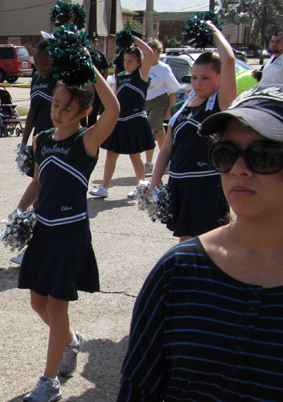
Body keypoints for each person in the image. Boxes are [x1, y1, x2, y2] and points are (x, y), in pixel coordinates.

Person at [87, 85, 283, 402]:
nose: (239, 168)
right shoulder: (178, 272)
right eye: (226, 153)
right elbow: (138, 396)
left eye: (263, 155)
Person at [16, 64, 119, 402]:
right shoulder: (42, 139)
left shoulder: (86, 140)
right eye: (55, 105)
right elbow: (38, 182)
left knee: (57, 306)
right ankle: (72, 340)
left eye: (68, 108)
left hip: (70, 234)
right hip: (43, 232)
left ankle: (50, 382)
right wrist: (19, 213)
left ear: (85, 112)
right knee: (37, 302)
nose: (58, 112)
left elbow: (115, 110)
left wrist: (90, 70)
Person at [149, 21, 236, 243]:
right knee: (187, 243)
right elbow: (167, 148)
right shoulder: (181, 107)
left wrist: (212, 30)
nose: (198, 83)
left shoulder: (221, 103)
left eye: (206, 78)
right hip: (180, 185)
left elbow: (229, 59)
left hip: (205, 185)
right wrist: (154, 182)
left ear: (219, 78)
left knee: (205, 245)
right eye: (195, 77)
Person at [90, 36, 155, 199]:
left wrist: (134, 39)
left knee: (134, 155)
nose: (127, 63)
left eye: (131, 61)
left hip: (135, 119)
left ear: (139, 63)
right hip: (120, 120)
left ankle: (141, 185)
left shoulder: (141, 75)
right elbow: (116, 98)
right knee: (111, 153)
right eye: (125, 60)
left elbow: (150, 54)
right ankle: (104, 187)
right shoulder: (120, 76)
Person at [11, 40, 56, 266]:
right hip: (40, 142)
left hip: (59, 143)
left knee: (46, 199)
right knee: (40, 198)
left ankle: (38, 249)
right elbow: (33, 112)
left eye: (45, 62)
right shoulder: (37, 79)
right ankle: (36, 248)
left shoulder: (61, 79)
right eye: (36, 63)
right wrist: (24, 140)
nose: (41, 67)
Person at [143, 39, 181, 174]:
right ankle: (169, 160)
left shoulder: (164, 68)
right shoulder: (143, 66)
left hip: (160, 102)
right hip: (145, 102)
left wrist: (171, 107)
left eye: (152, 50)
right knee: (159, 133)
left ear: (158, 52)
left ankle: (148, 163)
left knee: (149, 130)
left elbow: (172, 90)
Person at [86, 33, 110, 128]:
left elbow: (106, 68)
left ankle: (92, 127)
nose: (94, 43)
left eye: (95, 41)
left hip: (97, 85)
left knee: (95, 107)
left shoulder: (99, 54)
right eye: (92, 41)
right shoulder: (83, 53)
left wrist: (103, 80)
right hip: (86, 84)